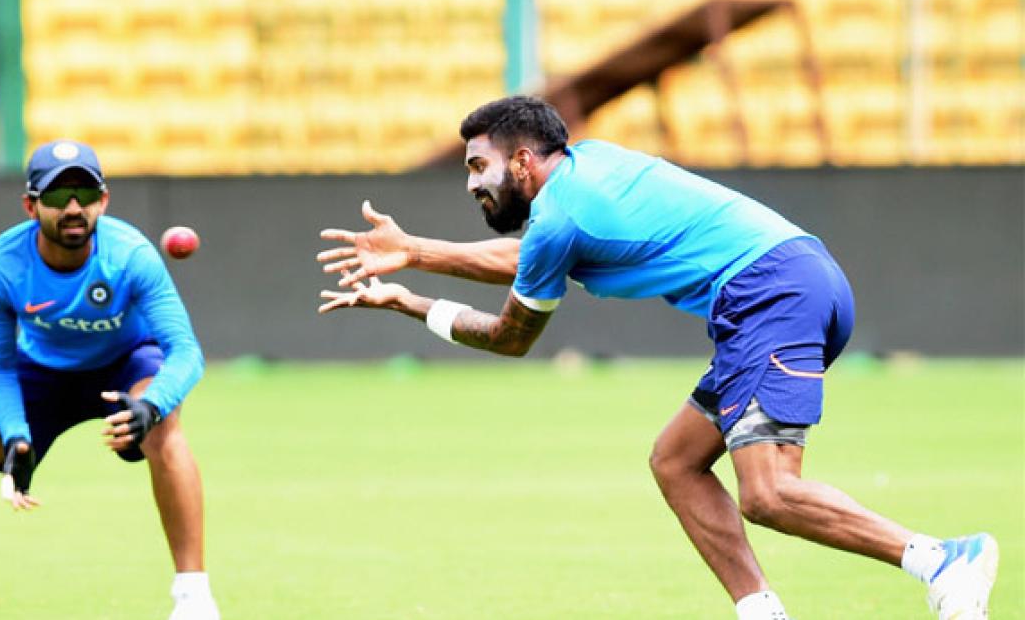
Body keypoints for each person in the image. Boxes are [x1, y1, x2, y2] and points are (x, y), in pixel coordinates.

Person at [316, 96, 998, 619]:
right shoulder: (587, 167)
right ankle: (762, 612)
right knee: (677, 461)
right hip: (790, 281)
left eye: (477, 166)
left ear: (522, 162)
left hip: (771, 294)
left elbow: (510, 336)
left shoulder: (561, 220)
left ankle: (943, 560)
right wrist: (418, 251)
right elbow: (530, 255)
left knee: (768, 492)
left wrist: (410, 302)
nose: (471, 184)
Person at [0, 140, 219, 620]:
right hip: (40, 373)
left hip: (126, 362)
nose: (73, 207)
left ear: (104, 200)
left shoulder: (131, 255)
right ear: (31, 205)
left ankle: (194, 600)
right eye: (58, 195)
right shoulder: (1, 264)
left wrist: (153, 405)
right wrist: (15, 435)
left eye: (86, 194)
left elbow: (185, 352)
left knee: (164, 431)